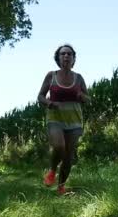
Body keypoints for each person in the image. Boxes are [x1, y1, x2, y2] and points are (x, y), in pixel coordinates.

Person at [37, 44, 90, 195]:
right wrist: (49, 103)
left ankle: (61, 187)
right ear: (58, 58)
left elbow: (88, 99)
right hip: (55, 117)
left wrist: (82, 96)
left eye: (69, 54)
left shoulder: (79, 78)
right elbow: (40, 96)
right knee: (59, 146)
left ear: (73, 58)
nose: (66, 56)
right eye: (63, 54)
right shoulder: (51, 75)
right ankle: (52, 170)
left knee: (68, 156)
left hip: (74, 120)